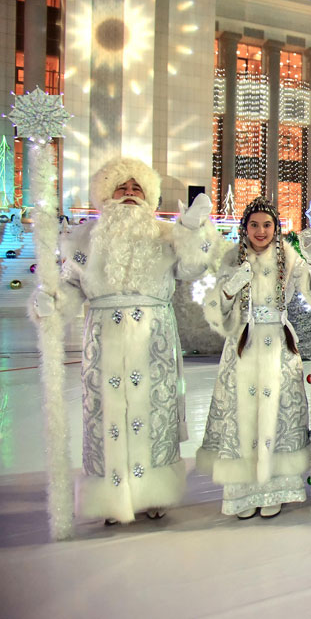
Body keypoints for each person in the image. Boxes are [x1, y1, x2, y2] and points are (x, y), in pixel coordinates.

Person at [31, 157, 215, 524]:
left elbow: (193, 267)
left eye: (137, 189)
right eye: (122, 188)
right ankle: (111, 496)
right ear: (106, 194)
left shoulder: (166, 234)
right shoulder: (83, 238)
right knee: (108, 415)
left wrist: (194, 230)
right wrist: (49, 304)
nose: (130, 194)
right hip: (104, 341)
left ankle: (154, 493)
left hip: (153, 341)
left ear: (148, 197)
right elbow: (70, 286)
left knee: (153, 414)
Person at [196, 196, 311, 519]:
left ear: (276, 228)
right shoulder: (231, 258)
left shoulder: (288, 258)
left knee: (279, 416)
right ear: (245, 228)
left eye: (267, 225)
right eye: (254, 224)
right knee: (242, 417)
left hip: (278, 346)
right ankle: (243, 493)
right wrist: (231, 288)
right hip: (242, 346)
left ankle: (276, 488)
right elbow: (217, 312)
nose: (261, 231)